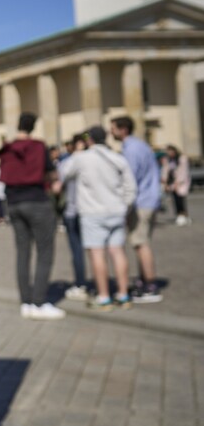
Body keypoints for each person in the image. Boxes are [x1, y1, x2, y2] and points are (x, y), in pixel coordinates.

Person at [57, 126, 137, 310]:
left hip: (93, 213)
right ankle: (123, 294)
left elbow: (63, 172)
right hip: (116, 210)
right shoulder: (117, 157)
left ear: (89, 139)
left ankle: (104, 297)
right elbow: (130, 186)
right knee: (118, 252)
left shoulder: (82, 158)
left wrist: (76, 152)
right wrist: (125, 205)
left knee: (97, 254)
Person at [0, 112, 64, 319]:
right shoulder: (38, 146)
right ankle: (39, 303)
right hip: (36, 201)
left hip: (14, 203)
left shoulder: (7, 148)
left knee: (22, 253)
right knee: (45, 252)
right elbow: (50, 172)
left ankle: (26, 301)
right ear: (33, 127)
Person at [109, 116, 163, 302]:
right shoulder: (141, 145)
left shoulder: (130, 149)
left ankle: (150, 285)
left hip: (141, 201)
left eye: (113, 128)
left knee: (141, 244)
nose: (111, 132)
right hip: (150, 198)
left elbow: (129, 179)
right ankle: (144, 281)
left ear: (123, 129)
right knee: (142, 241)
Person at [59, 134, 89, 301]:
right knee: (96, 251)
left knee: (77, 250)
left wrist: (76, 155)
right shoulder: (97, 160)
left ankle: (81, 283)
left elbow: (62, 174)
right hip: (93, 211)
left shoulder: (72, 161)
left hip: (75, 210)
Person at [162, 145, 191, 226]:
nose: (169, 153)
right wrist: (165, 182)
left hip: (181, 183)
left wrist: (177, 183)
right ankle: (179, 215)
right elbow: (165, 170)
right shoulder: (167, 160)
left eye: (171, 151)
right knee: (175, 199)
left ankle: (183, 215)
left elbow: (184, 172)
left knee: (180, 199)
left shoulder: (182, 159)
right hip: (171, 182)